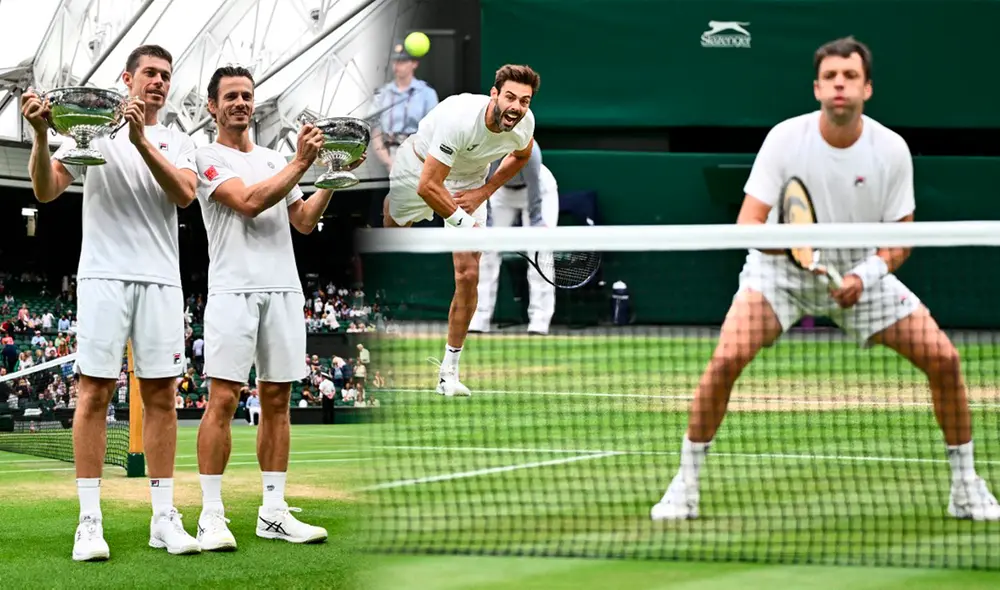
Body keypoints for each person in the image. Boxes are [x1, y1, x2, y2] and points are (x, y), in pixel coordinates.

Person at [650, 36, 1000, 522]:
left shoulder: (890, 150)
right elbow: (747, 226)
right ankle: (684, 486)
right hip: (780, 275)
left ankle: (966, 486)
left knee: (944, 360)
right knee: (726, 359)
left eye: (850, 76)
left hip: (861, 277)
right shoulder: (785, 139)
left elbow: (903, 237)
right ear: (817, 88)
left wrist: (864, 274)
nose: (840, 85)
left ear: (867, 88)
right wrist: (796, 254)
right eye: (831, 77)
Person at [22, 44, 202, 561]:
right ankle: (89, 522)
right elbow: (46, 189)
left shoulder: (176, 139)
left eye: (166, 76)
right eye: (150, 73)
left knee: (164, 399)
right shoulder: (92, 130)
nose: (159, 83)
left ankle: (164, 518)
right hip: (103, 276)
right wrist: (39, 134)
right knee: (94, 396)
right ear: (127, 79)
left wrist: (142, 139)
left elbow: (184, 195)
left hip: (161, 280)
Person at [192, 65, 361, 550]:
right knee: (222, 400)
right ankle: (210, 514)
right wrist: (302, 164)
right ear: (212, 105)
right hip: (232, 291)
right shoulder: (205, 155)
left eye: (247, 95)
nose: (241, 103)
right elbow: (247, 202)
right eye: (231, 97)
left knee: (278, 403)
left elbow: (304, 221)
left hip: (284, 291)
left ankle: (273, 512)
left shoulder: (273, 159)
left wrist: (333, 174)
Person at [382, 64, 540, 397]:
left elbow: (522, 155)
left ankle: (448, 374)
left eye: (524, 101)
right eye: (510, 97)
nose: (516, 107)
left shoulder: (524, 124)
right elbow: (429, 186)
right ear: (494, 94)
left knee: (468, 275)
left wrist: (484, 192)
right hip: (418, 169)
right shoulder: (459, 119)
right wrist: (468, 225)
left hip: (469, 181)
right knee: (394, 228)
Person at [469, 142, 560, 335]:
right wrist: (488, 221)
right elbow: (485, 184)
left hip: (538, 193)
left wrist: (537, 223)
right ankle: (479, 316)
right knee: (485, 252)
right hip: (500, 193)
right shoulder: (489, 148)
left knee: (540, 253)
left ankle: (539, 321)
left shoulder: (531, 151)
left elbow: (535, 190)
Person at [370, 41, 439, 172]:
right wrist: (388, 162)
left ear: (414, 63)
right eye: (394, 61)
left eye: (402, 61)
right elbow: (376, 133)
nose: (397, 65)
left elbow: (432, 131)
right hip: (386, 154)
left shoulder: (426, 93)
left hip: (416, 155)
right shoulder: (383, 93)